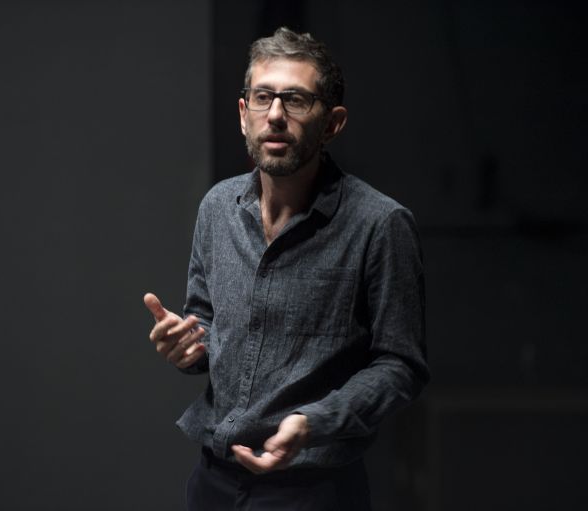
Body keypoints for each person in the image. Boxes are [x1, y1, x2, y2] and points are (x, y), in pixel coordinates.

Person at [144, 27, 428, 510]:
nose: (275, 115)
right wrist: (188, 347)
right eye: (263, 97)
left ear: (332, 123)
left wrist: (313, 422)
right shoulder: (217, 207)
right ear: (243, 114)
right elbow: (208, 327)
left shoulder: (379, 224)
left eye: (295, 100)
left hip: (313, 490)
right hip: (213, 481)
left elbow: (400, 367)